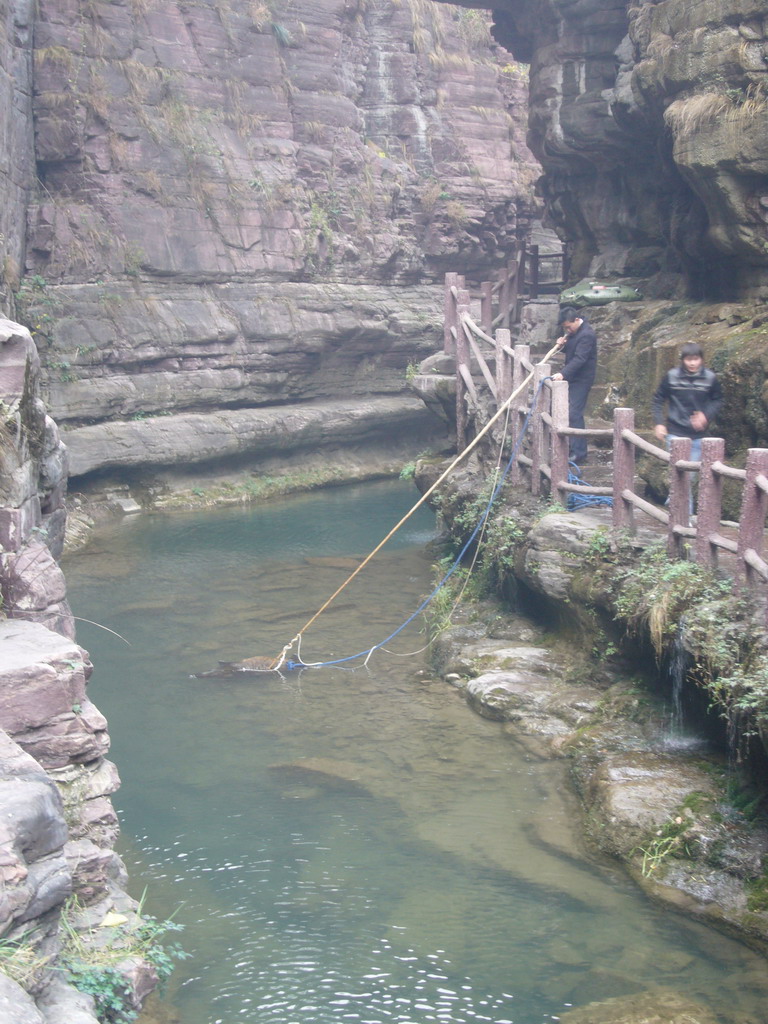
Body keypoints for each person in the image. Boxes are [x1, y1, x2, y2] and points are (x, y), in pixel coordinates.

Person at [652, 342, 723, 512]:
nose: (692, 363)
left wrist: (706, 415)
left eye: (696, 359)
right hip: (675, 432)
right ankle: (685, 517)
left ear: (701, 360)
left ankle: (674, 500)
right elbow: (658, 399)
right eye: (688, 360)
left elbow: (718, 399)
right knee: (683, 474)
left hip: (698, 434)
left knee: (688, 476)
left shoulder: (710, 378)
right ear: (683, 360)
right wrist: (659, 422)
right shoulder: (672, 376)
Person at [550, 306, 597, 466]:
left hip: (582, 379)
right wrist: (562, 345)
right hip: (572, 377)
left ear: (577, 320)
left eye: (568, 326)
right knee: (566, 411)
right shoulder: (574, 332)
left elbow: (580, 359)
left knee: (574, 412)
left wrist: (563, 374)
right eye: (565, 328)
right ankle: (571, 447)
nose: (567, 329)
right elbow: (571, 351)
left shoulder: (587, 334)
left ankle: (579, 453)